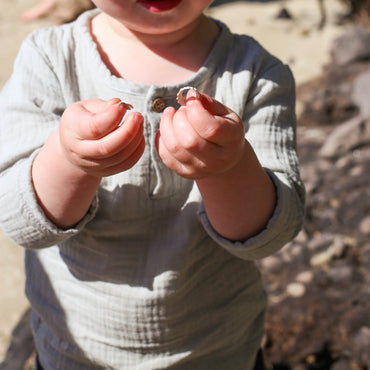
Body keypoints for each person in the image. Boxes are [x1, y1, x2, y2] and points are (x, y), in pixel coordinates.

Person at [0, 0, 305, 369]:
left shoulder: (256, 72)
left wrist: (229, 168)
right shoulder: (49, 58)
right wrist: (68, 161)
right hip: (76, 353)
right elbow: (19, 220)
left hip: (219, 352)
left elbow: (269, 236)